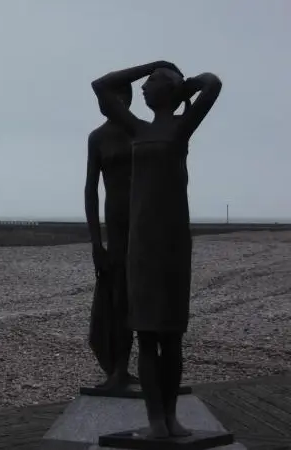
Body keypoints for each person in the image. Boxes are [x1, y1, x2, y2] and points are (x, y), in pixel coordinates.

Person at [91, 61, 222, 438]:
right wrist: (154, 64)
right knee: (148, 335)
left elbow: (213, 84)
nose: (143, 89)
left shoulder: (182, 126)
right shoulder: (137, 129)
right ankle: (155, 422)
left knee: (171, 335)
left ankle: (170, 418)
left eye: (151, 84)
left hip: (173, 243)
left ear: (167, 92)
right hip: (142, 244)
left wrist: (185, 84)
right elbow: (102, 86)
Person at [85, 83, 137, 391]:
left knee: (144, 299)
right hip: (116, 228)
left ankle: (150, 369)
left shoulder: (142, 131)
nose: (115, 102)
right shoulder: (98, 138)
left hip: (146, 224)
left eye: (122, 96)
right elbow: (91, 189)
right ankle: (119, 369)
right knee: (116, 299)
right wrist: (95, 242)